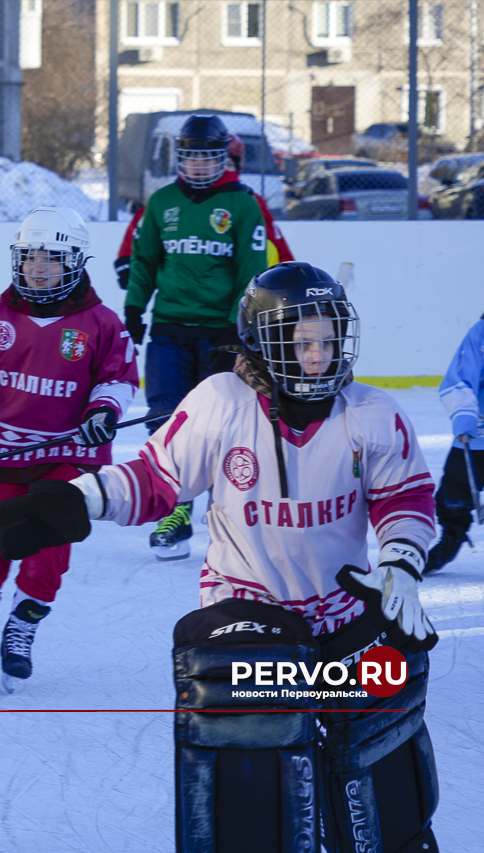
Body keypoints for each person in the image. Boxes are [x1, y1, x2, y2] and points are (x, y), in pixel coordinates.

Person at [0, 262, 441, 852]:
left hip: (345, 616)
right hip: (245, 615)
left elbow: (405, 497)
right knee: (253, 767)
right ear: (260, 341)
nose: (318, 357)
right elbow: (153, 478)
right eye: (300, 341)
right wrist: (83, 500)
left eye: (328, 341)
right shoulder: (220, 402)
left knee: (385, 748)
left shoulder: (373, 414)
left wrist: (401, 565)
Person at [0, 207, 138, 692]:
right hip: (1, 455)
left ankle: (21, 629)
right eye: (30, 256)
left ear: (76, 262)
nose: (38, 267)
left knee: (48, 550)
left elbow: (119, 379)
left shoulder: (100, 322)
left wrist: (103, 412)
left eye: (51, 258)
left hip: (67, 459)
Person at [124, 115, 270, 560]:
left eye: (208, 157)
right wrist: (134, 306)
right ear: (179, 158)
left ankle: (227, 512)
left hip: (221, 334)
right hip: (169, 330)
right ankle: (175, 509)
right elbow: (144, 259)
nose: (199, 166)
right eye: (190, 157)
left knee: (225, 426)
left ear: (223, 158)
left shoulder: (244, 205)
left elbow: (253, 270)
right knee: (165, 419)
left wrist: (236, 325)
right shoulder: (162, 201)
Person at [424, 250, 484, 576]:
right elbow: (459, 380)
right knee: (455, 489)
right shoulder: (481, 334)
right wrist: (464, 417)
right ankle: (450, 537)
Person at [114, 133, 293, 291]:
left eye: (228, 164)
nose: (219, 171)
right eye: (199, 161)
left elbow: (276, 243)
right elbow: (142, 228)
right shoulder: (175, 198)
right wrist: (127, 260)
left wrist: (286, 276)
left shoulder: (249, 201)